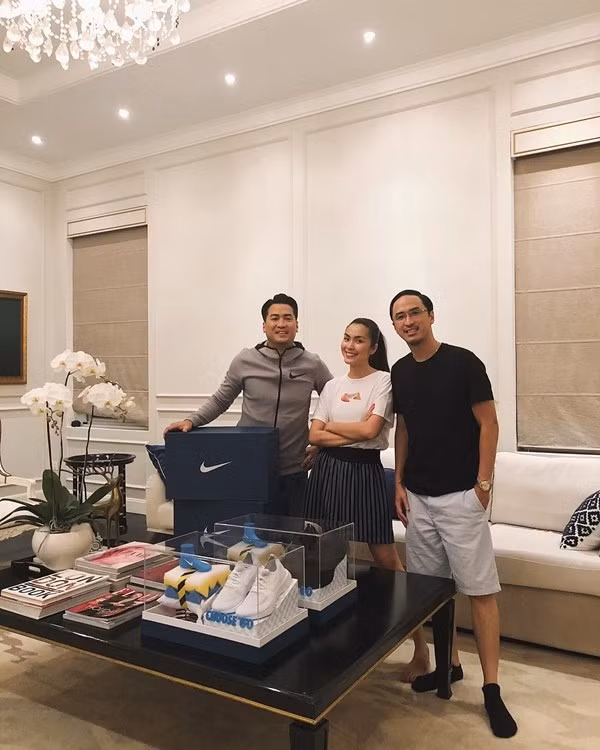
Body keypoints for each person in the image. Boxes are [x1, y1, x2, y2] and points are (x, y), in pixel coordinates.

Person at [389, 289, 517, 738]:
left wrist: (484, 485)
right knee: (434, 593)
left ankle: (492, 689)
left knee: (479, 591)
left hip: (462, 497)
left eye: (415, 313)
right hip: (418, 499)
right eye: (400, 316)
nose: (408, 321)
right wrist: (399, 481)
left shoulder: (464, 363)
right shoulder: (400, 371)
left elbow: (489, 423)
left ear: (430, 316)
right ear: (394, 325)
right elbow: (403, 428)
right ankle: (449, 667)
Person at [304, 317, 430, 682]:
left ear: (373, 347)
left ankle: (421, 649)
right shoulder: (332, 385)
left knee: (386, 557)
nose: (350, 345)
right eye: (346, 338)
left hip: (364, 473)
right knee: (325, 557)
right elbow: (314, 436)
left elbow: (372, 431)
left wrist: (333, 428)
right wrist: (350, 432)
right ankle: (332, 642)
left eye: (359, 340)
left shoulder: (384, 381)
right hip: (326, 472)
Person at [164, 293, 332, 516]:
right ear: (264, 325)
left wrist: (322, 445)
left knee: (293, 532)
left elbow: (333, 403)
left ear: (297, 324)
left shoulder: (312, 363)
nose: (281, 324)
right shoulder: (245, 360)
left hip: (294, 469)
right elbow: (221, 399)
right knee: (252, 532)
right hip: (249, 463)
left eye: (288, 318)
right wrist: (191, 421)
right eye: (274, 318)